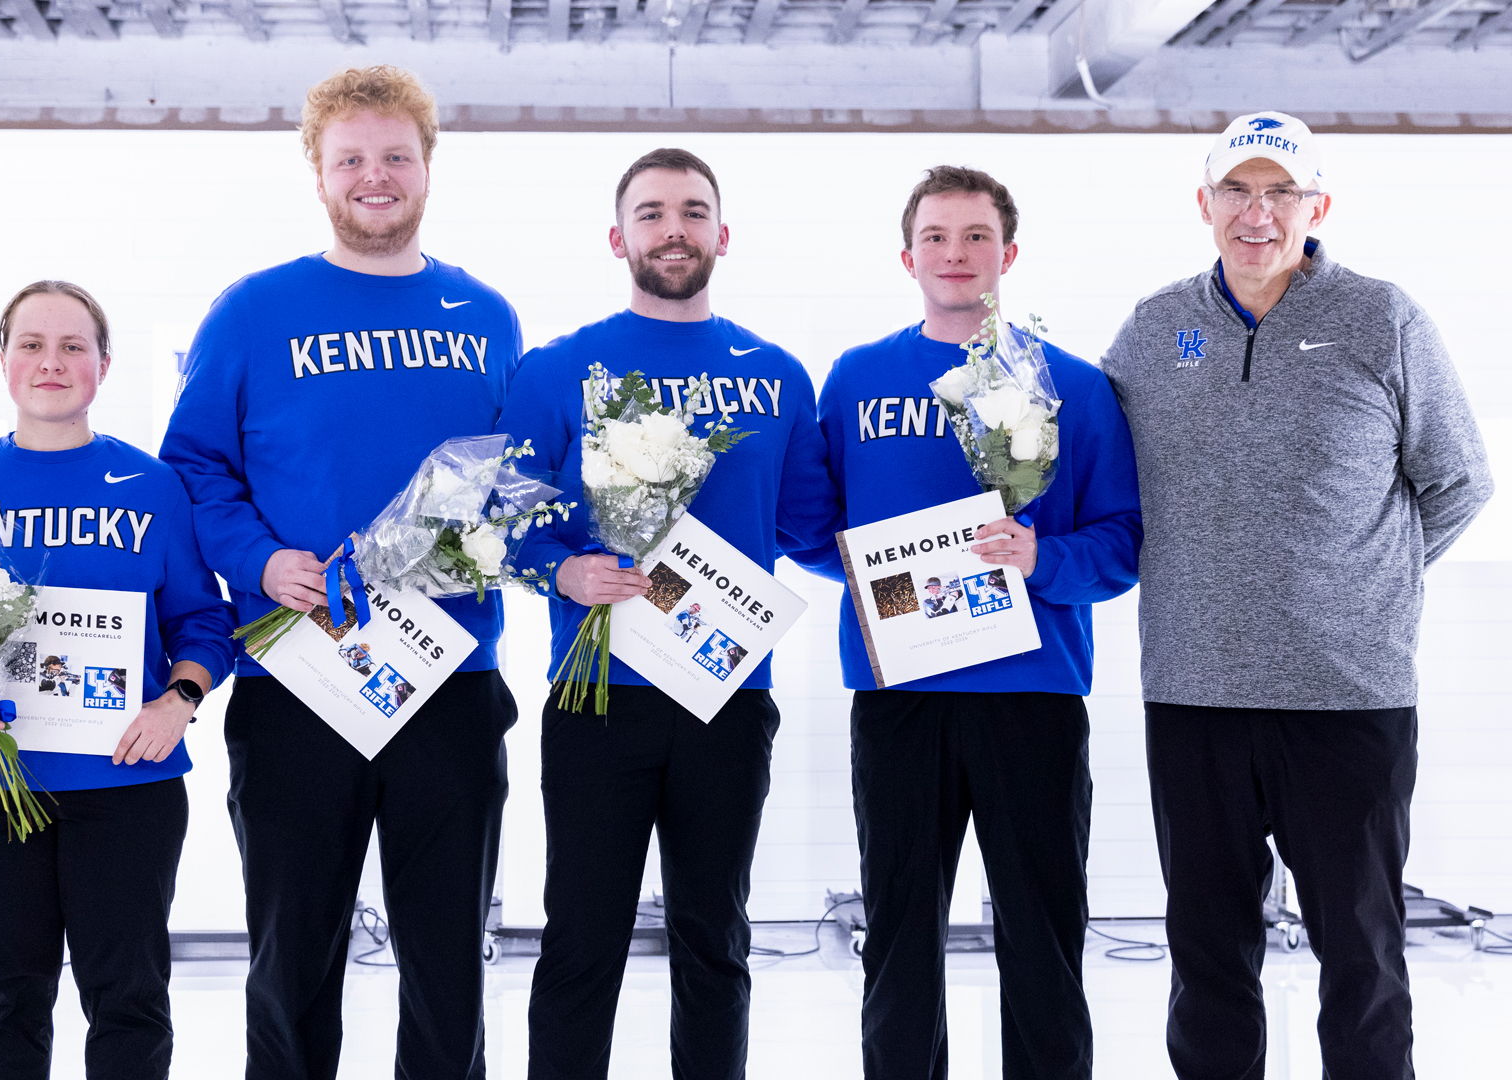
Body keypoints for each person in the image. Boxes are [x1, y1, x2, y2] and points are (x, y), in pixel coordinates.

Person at [1101, 112, 1492, 1080]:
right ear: (1205, 203)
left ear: (1318, 206)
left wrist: (1364, 587)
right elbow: (1100, 481)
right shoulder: (1153, 331)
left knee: (1360, 961)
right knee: (1207, 960)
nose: (1258, 212)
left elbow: (1460, 482)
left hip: (1348, 702)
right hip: (1194, 700)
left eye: (1281, 192)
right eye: (1237, 190)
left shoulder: (1382, 319)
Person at [158, 65, 523, 1080]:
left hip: (449, 681)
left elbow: (509, 475)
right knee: (293, 963)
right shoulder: (252, 312)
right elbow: (191, 469)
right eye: (351, 159)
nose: (375, 177)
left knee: (448, 963)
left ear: (427, 167)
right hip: (296, 684)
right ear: (318, 172)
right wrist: (259, 561)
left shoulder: (485, 315)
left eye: (395, 156)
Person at [789, 165, 1142, 1080]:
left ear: (1009, 253)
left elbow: (1124, 540)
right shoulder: (859, 377)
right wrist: (880, 579)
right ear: (907, 256)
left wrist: (1041, 558)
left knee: (1044, 936)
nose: (956, 253)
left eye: (977, 236)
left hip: (1034, 693)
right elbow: (820, 526)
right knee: (899, 936)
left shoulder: (1072, 386)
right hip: (901, 693)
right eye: (937, 237)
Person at [496, 147, 836, 1080]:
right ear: (618, 238)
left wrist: (953, 536)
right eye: (651, 213)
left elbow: (812, 526)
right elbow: (506, 521)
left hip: (728, 693)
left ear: (723, 235)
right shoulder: (557, 368)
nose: (672, 229)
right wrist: (561, 574)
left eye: (692, 211)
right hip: (597, 690)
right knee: (581, 940)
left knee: (715, 938)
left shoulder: (775, 374)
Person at [0, 281, 236, 1080]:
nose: (50, 362)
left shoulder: (156, 488)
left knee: (127, 996)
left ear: (104, 364)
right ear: (3, 360)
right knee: (4, 996)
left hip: (126, 780)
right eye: (31, 343)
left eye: (72, 346)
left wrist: (179, 700)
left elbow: (205, 623)